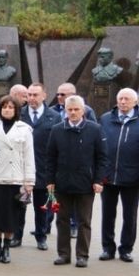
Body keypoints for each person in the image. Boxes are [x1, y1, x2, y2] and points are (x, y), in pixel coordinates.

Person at [47, 95, 107, 267]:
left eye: (76, 110)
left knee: (84, 221)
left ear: (83, 110)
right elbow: (50, 157)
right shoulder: (57, 129)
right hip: (62, 183)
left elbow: (102, 158)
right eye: (69, 110)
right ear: (65, 110)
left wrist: (98, 180)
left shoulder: (95, 129)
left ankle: (82, 255)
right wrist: (50, 180)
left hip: (86, 184)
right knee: (62, 220)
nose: (73, 113)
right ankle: (64, 254)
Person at [0, 95, 35, 264]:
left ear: (16, 110)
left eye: (11, 107)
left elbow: (28, 156)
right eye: (4, 107)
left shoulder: (24, 129)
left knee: (10, 217)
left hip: (15, 179)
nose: (7, 109)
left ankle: (7, 248)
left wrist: (29, 181)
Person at [18, 83, 62, 250]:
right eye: (29, 95)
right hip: (21, 170)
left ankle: (41, 236)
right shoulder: (19, 114)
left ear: (44, 95)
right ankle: (16, 235)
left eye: (35, 95)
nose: (31, 98)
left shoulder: (54, 116)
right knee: (19, 206)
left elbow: (57, 145)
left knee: (42, 208)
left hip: (44, 169)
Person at [98, 88, 139, 262]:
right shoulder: (106, 119)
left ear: (135, 102)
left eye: (127, 99)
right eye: (120, 98)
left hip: (132, 177)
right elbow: (99, 146)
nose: (123, 102)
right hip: (107, 177)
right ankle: (108, 248)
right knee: (107, 214)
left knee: (130, 215)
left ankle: (126, 249)